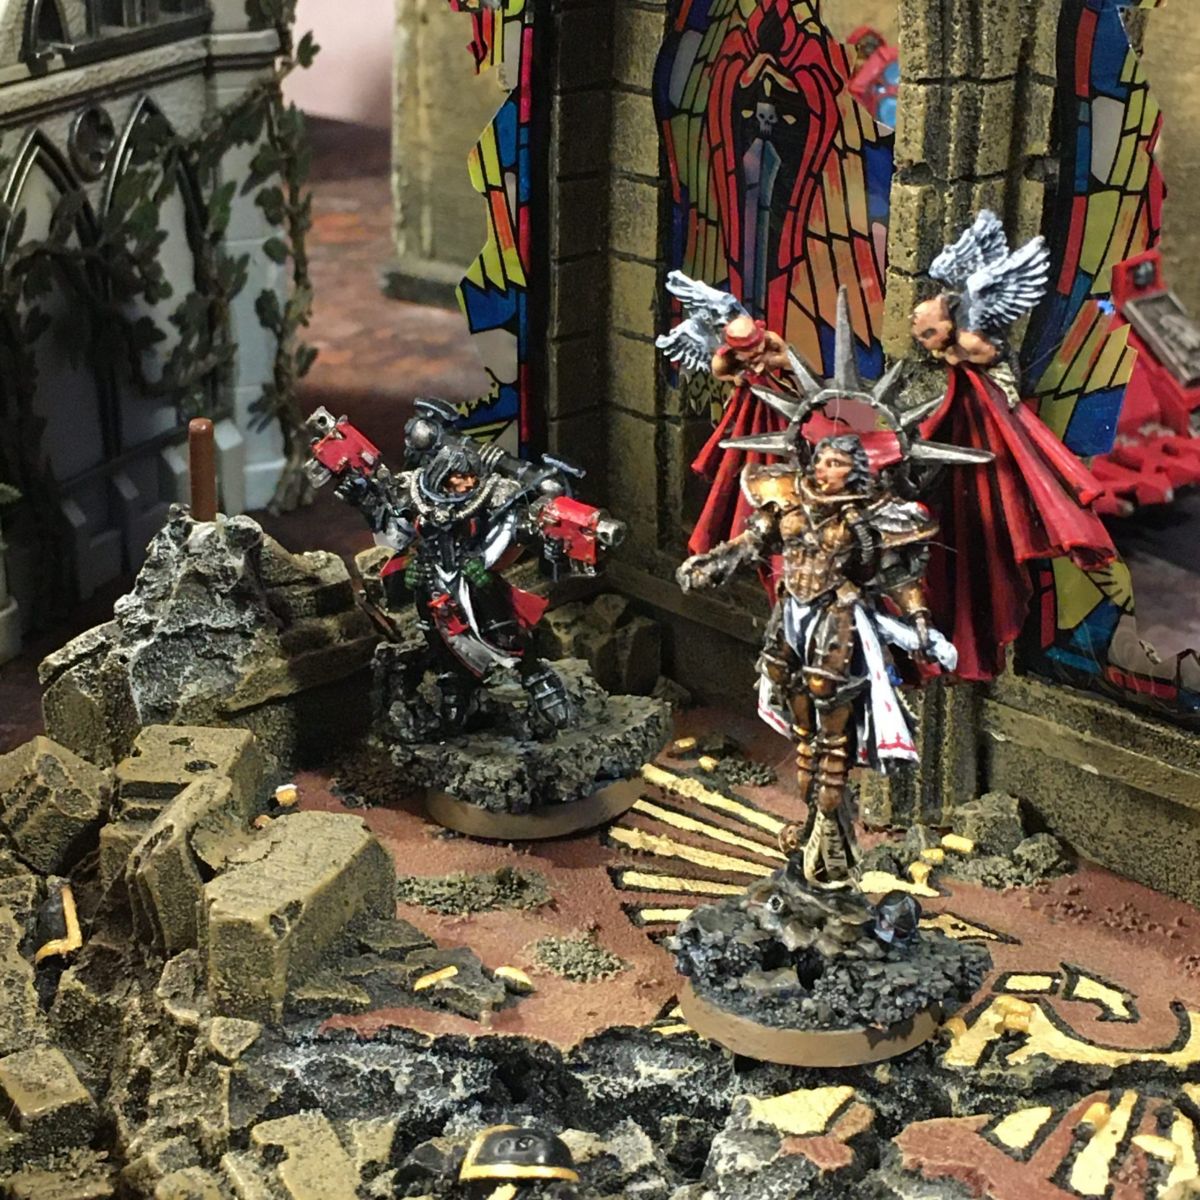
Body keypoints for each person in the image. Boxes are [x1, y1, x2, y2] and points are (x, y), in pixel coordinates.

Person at [678, 433, 957, 888]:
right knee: (799, 725)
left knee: (831, 729)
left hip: (837, 619)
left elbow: (897, 577)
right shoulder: (785, 499)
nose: (824, 470)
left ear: (856, 471)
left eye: (836, 463)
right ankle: (814, 826)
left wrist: (920, 621)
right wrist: (710, 565)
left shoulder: (870, 517)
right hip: (791, 618)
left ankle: (829, 834)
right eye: (822, 460)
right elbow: (750, 544)